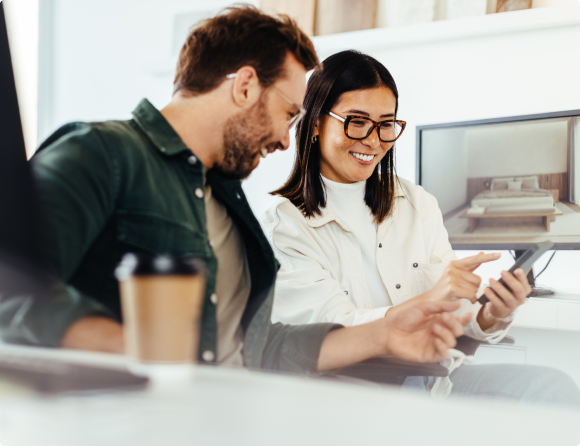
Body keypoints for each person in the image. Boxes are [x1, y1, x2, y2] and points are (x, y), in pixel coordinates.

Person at [0, 7, 469, 375]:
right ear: (245, 86)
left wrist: (385, 335)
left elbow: (260, 346)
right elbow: (11, 287)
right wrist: (143, 352)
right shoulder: (102, 152)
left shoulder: (227, 201)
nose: (288, 138)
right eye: (289, 113)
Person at [262, 50, 580, 404]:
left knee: (553, 388)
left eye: (386, 124)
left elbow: (453, 316)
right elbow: (332, 331)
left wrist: (491, 312)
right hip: (349, 390)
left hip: (434, 379)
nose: (373, 140)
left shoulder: (417, 203)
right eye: (357, 121)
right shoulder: (284, 224)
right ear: (317, 121)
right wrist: (432, 297)